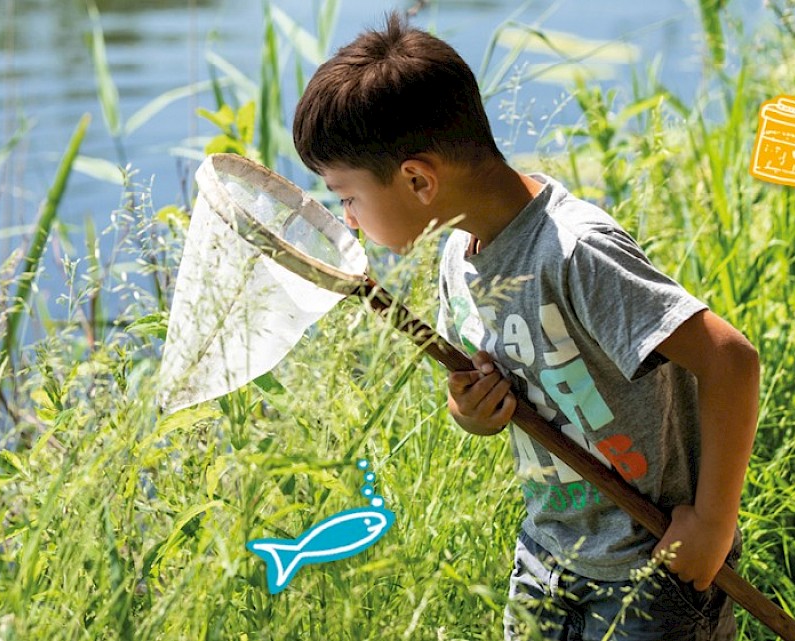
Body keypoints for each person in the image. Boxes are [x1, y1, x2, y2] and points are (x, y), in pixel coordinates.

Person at [292, 11, 760, 640]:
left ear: (417, 179)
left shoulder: (573, 252)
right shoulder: (459, 255)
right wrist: (473, 412)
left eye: (346, 196)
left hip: (649, 566)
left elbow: (730, 360)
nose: (347, 219)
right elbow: (485, 391)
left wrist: (711, 524)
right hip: (547, 558)